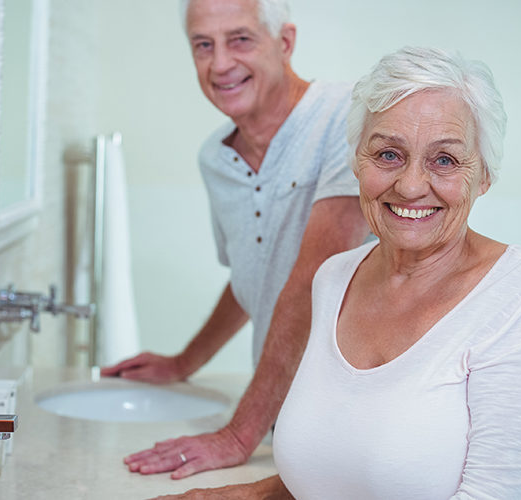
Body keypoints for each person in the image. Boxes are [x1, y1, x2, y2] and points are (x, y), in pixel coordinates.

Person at [159, 46, 521, 499]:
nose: (412, 185)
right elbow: (341, 469)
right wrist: (247, 495)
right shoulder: (334, 280)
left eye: (444, 160)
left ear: (483, 176)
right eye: (388, 154)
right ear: (356, 164)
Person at [100, 0, 370, 479]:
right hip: (283, 426)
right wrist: (185, 361)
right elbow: (254, 276)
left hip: (360, 427)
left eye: (240, 39)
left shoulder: (346, 117)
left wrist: (237, 434)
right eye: (203, 45)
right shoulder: (215, 160)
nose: (220, 63)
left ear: (284, 43)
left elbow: (313, 282)